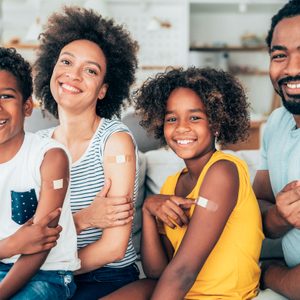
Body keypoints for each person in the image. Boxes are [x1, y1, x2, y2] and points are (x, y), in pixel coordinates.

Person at [102, 67, 264, 299]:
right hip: (179, 290)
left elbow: (183, 272)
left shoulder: (223, 172)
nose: (181, 127)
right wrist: (148, 209)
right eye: (171, 119)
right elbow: (158, 271)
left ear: (216, 123)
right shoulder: (172, 184)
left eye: (195, 117)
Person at [34, 6, 140, 299]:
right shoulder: (38, 144)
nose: (73, 75)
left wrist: (45, 265)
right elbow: (28, 234)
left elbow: (113, 247)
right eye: (66, 62)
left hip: (105, 276)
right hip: (48, 270)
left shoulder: (114, 141)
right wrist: (85, 218)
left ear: (103, 90)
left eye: (90, 70)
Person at [0, 47, 80, 299]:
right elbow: (19, 243)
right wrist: (10, 246)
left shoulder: (50, 157)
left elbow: (40, 244)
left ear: (27, 107)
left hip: (47, 275)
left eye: (5, 96)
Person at [252, 0, 300, 298]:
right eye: (280, 55)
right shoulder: (278, 123)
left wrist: (268, 272)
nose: (292, 69)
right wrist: (281, 217)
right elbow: (258, 205)